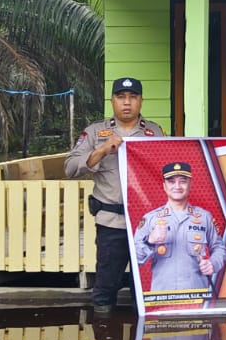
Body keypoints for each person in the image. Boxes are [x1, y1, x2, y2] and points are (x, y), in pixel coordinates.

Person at [66, 76, 164, 313]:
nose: (127, 102)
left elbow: (166, 171)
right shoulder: (95, 131)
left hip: (147, 226)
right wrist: (101, 150)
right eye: (121, 97)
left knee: (144, 289)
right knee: (105, 289)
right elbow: (70, 169)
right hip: (112, 223)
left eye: (133, 97)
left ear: (141, 101)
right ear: (112, 101)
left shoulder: (154, 132)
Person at [132, 162, 226, 294]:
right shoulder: (150, 219)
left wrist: (213, 263)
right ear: (164, 186)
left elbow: (219, 247)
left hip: (196, 293)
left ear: (190, 184)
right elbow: (135, 258)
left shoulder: (204, 217)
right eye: (171, 182)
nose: (177, 186)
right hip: (162, 296)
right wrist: (150, 240)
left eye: (183, 181)